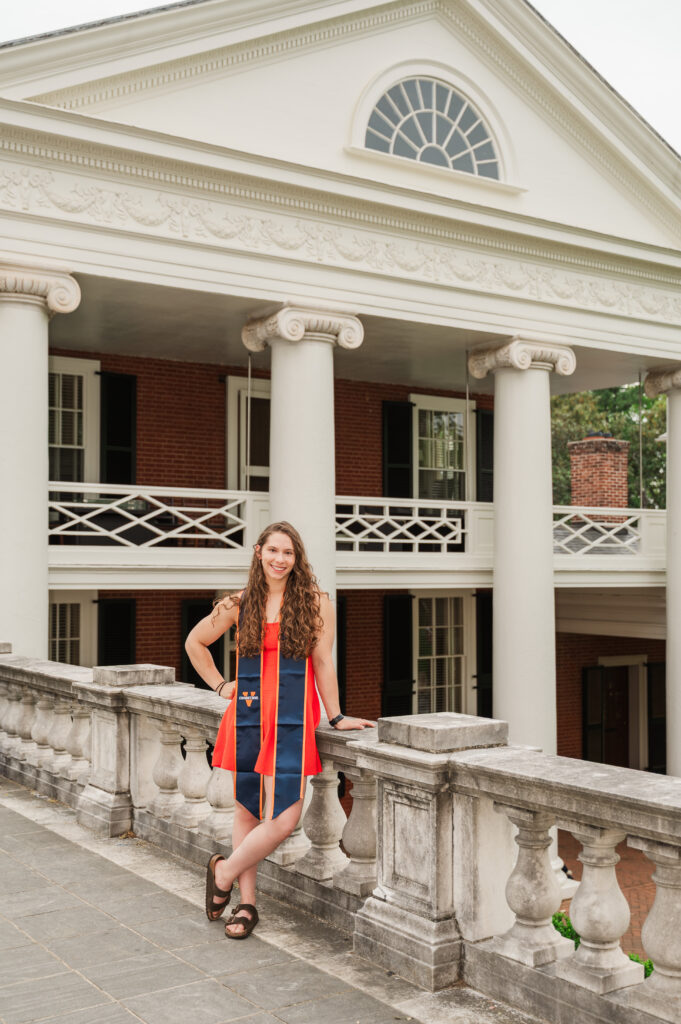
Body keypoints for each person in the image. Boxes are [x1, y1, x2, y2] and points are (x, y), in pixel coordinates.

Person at [184, 521, 375, 938]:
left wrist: (337, 716)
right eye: (273, 551)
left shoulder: (316, 603)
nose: (279, 559)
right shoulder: (239, 603)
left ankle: (223, 872)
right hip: (249, 715)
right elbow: (194, 643)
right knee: (247, 810)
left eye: (288, 553)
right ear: (259, 553)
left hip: (291, 719)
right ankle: (246, 904)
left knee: (285, 818)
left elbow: (323, 662)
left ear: (297, 558)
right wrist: (220, 685)